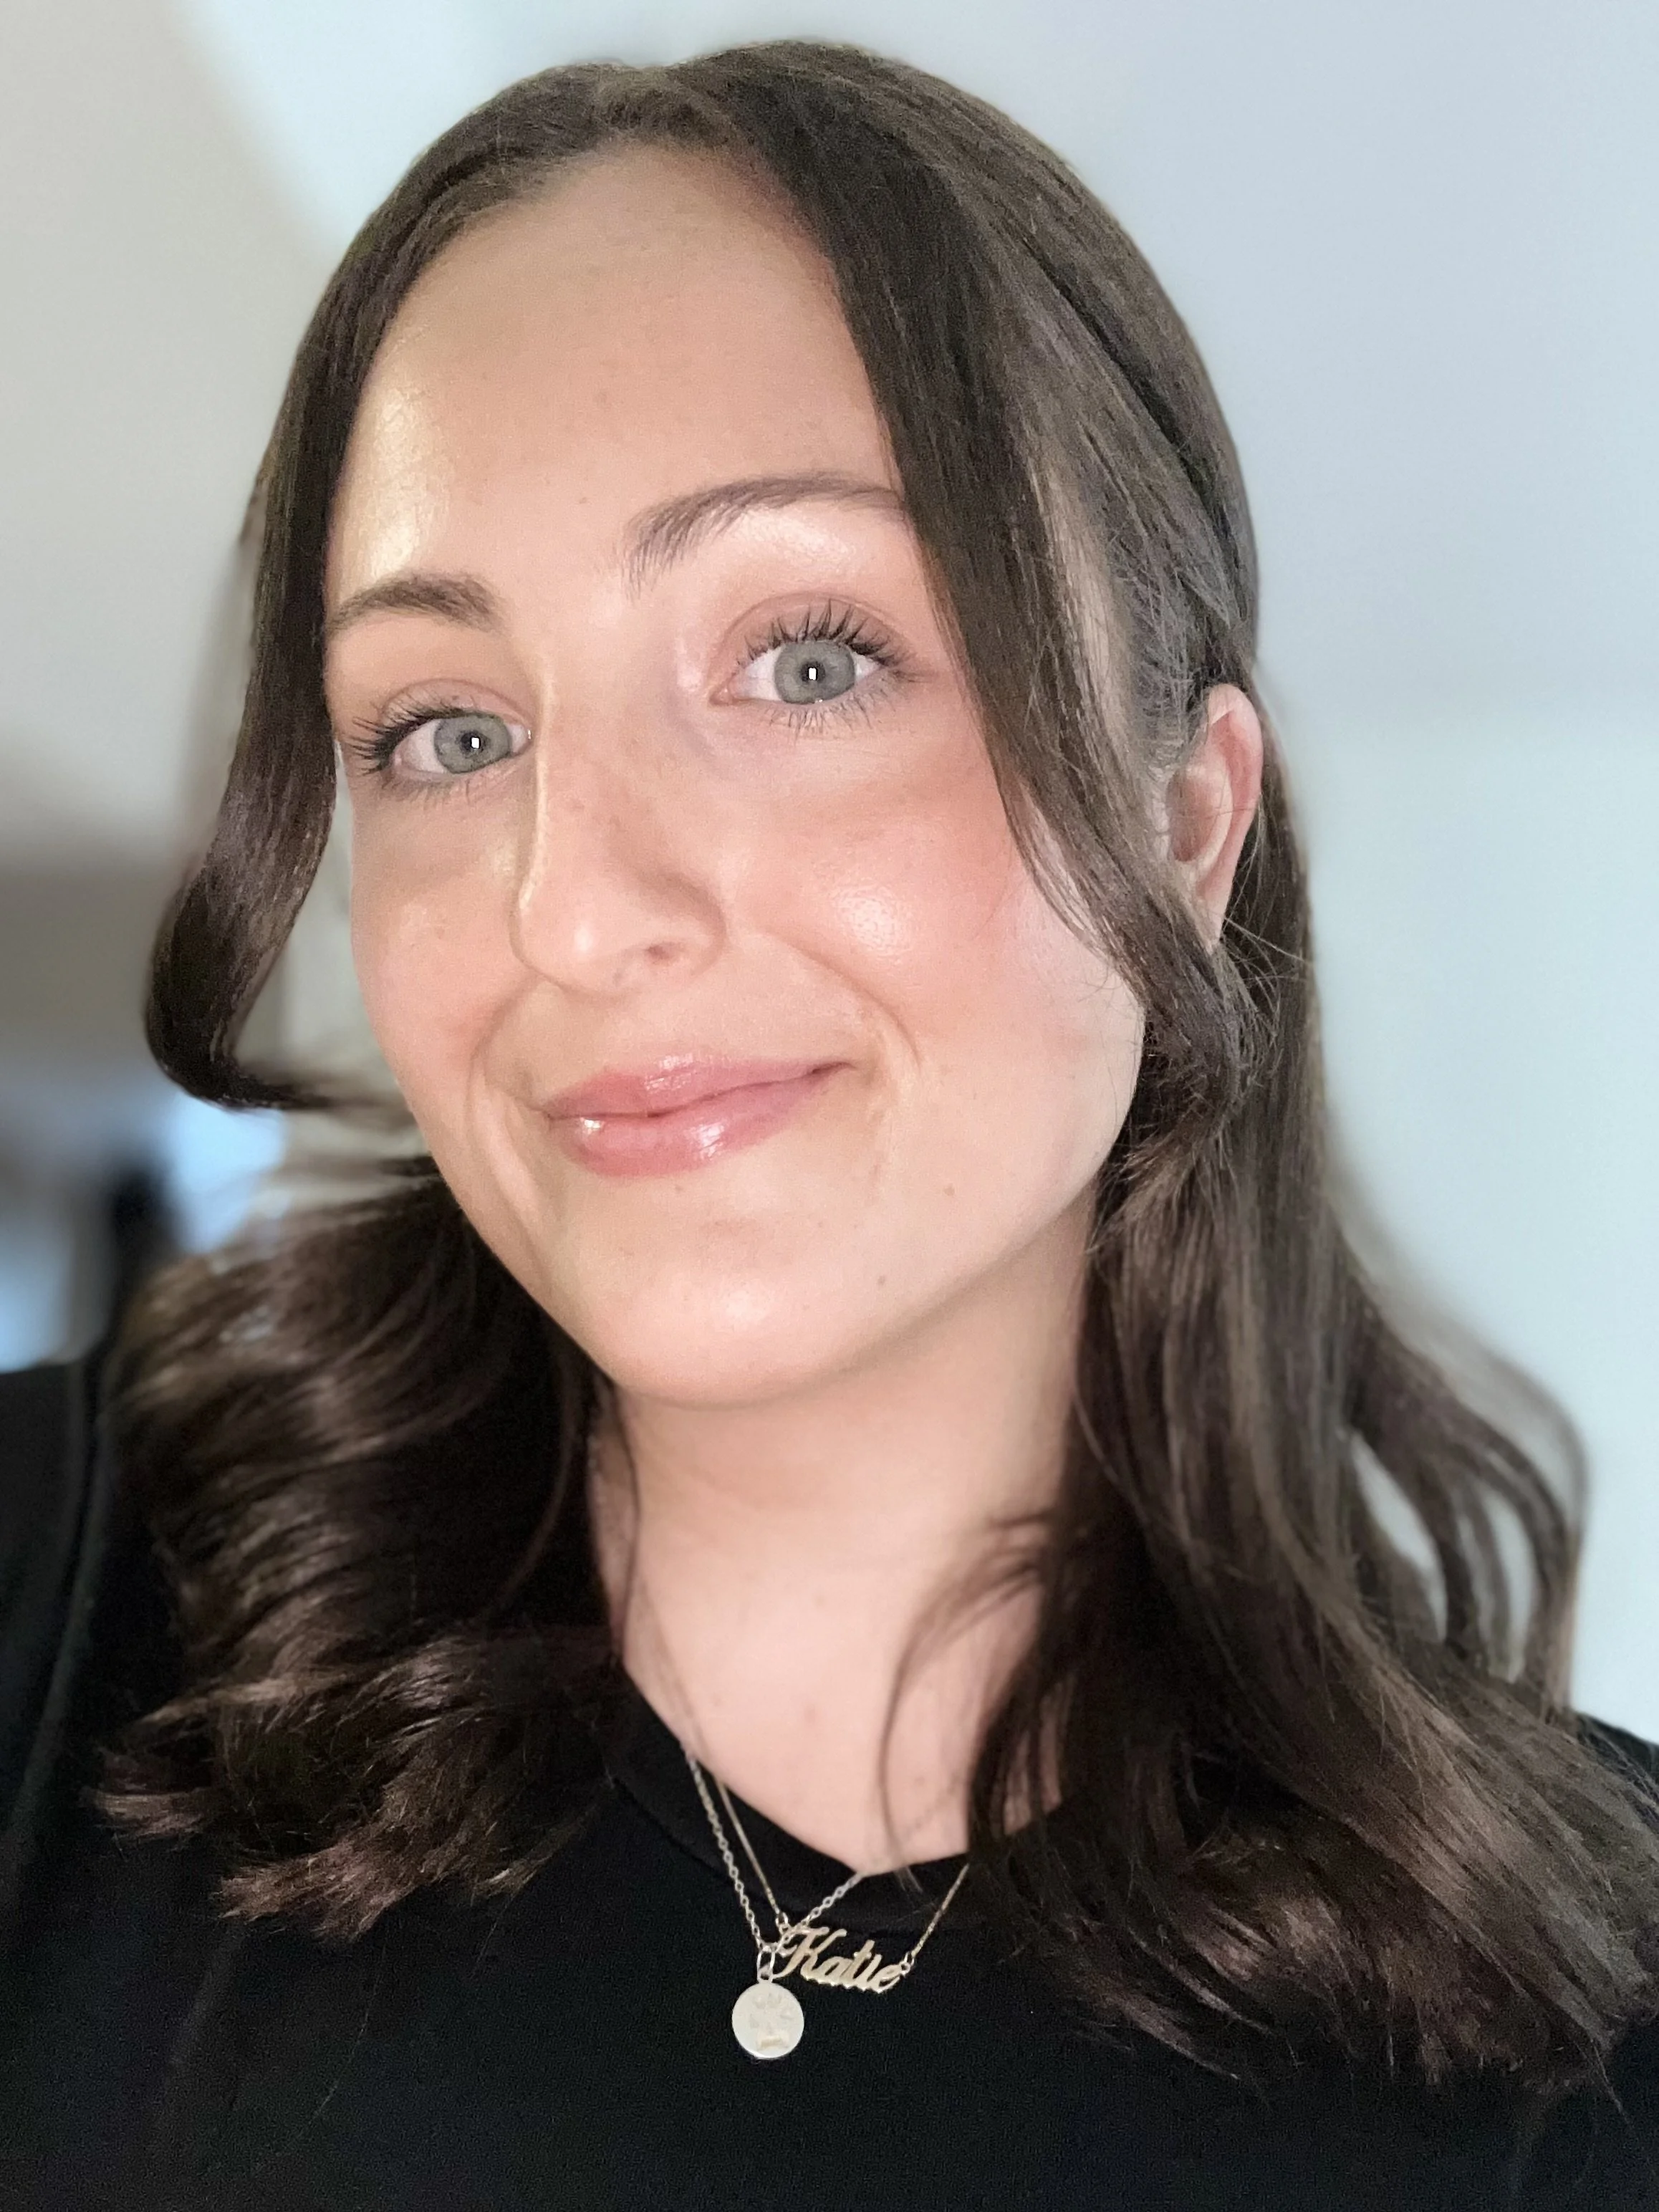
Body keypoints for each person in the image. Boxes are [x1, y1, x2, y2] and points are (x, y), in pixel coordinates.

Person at [2, 39, 1657, 2209]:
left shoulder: (1584, 2036)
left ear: (1189, 822)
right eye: (442, 728)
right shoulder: (48, 1614)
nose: (573, 909)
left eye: (806, 659)